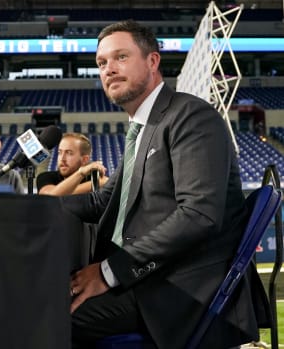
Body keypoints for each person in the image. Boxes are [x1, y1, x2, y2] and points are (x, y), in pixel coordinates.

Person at [62, 20, 265, 348]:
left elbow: (199, 215)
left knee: (37, 313)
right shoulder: (143, 128)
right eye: (101, 63)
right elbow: (102, 202)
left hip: (179, 291)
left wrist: (109, 272)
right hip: (147, 282)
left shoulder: (191, 117)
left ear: (153, 61)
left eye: (121, 57)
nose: (109, 69)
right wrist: (31, 205)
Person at [36, 133, 108, 195]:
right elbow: (50, 196)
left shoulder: (93, 178)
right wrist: (84, 176)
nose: (62, 158)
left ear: (84, 160)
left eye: (69, 153)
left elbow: (107, 181)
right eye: (60, 152)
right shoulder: (46, 177)